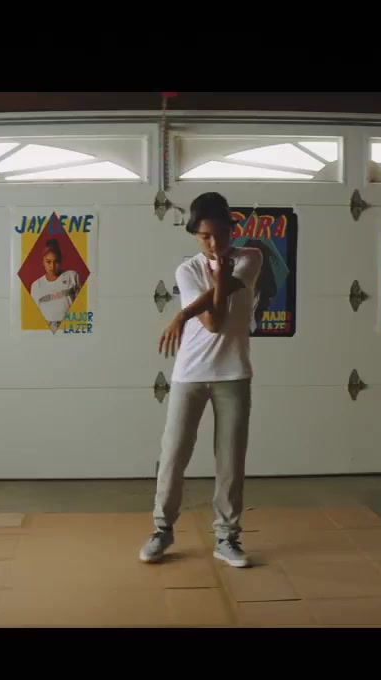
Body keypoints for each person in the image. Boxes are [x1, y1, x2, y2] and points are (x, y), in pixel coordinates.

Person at [140, 192, 262, 569]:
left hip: (234, 374)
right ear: (195, 235)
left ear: (231, 229)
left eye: (219, 233)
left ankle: (226, 537)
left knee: (230, 460)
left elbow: (221, 315)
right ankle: (162, 529)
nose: (213, 242)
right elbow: (211, 322)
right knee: (174, 454)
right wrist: (215, 285)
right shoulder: (187, 270)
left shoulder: (251, 257)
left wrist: (181, 315)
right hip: (190, 374)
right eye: (204, 236)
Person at [29, 238, 82, 329]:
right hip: (47, 327)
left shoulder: (72, 276)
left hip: (69, 325)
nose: (52, 266)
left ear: (60, 261)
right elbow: (34, 315)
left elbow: (81, 305)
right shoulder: (36, 285)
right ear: (43, 262)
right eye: (48, 262)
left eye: (56, 261)